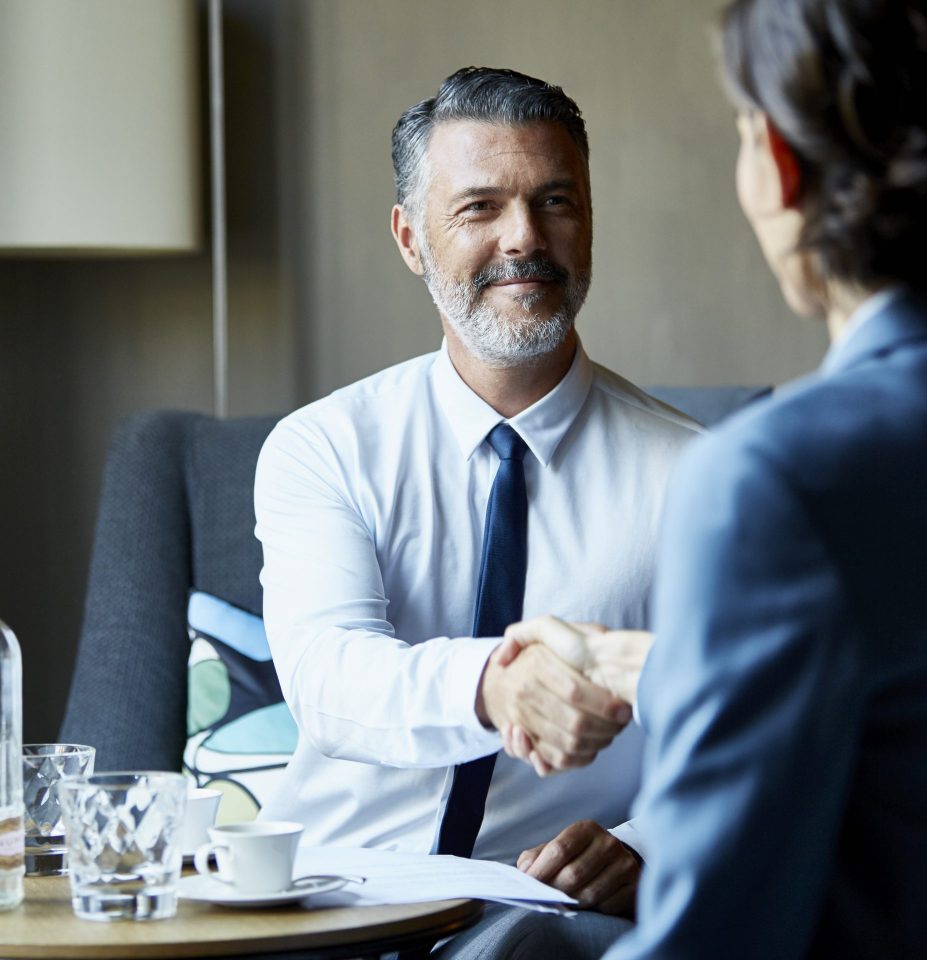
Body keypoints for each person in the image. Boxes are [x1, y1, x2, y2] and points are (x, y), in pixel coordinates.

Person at [500, 1, 927, 957]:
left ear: (782, 166)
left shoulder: (770, 478)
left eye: (747, 132)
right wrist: (663, 667)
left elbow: (713, 937)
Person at [252, 66, 702, 956]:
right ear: (411, 237)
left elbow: (735, 722)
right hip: (323, 900)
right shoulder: (323, 447)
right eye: (480, 207)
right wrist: (492, 687)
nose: (525, 238)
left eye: (556, 201)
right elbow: (329, 676)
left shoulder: (701, 476)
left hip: (539, 920)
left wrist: (651, 847)